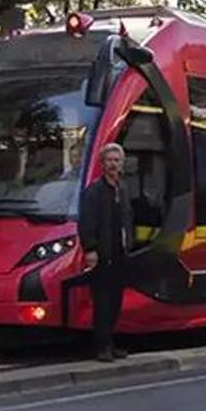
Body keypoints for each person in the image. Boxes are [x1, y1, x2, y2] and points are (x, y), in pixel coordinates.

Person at [78, 142, 135, 362]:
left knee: (115, 302)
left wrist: (128, 243)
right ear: (102, 164)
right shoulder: (94, 191)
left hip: (119, 253)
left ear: (122, 164)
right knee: (102, 302)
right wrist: (90, 249)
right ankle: (101, 347)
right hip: (102, 254)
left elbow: (127, 218)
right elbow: (87, 222)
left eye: (116, 160)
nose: (113, 164)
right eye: (109, 160)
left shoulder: (123, 188)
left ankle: (110, 343)